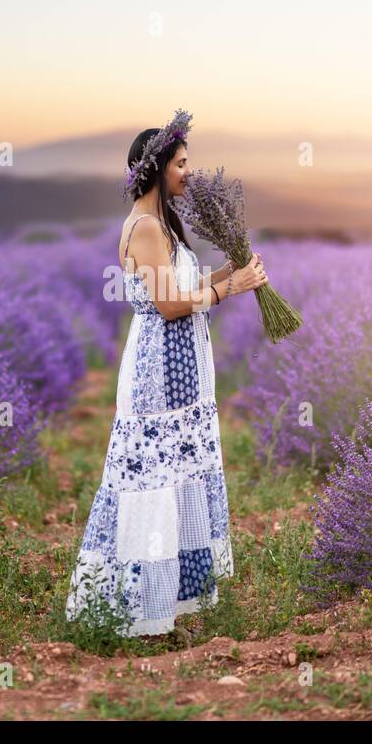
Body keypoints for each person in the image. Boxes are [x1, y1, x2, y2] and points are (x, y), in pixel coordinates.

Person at [64, 109, 268, 638]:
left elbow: (185, 285)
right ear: (156, 169)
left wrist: (232, 269)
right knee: (151, 478)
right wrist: (234, 288)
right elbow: (173, 306)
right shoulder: (146, 226)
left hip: (183, 369)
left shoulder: (161, 225)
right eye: (181, 165)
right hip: (159, 372)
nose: (188, 175)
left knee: (177, 477)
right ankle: (138, 612)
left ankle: (170, 605)